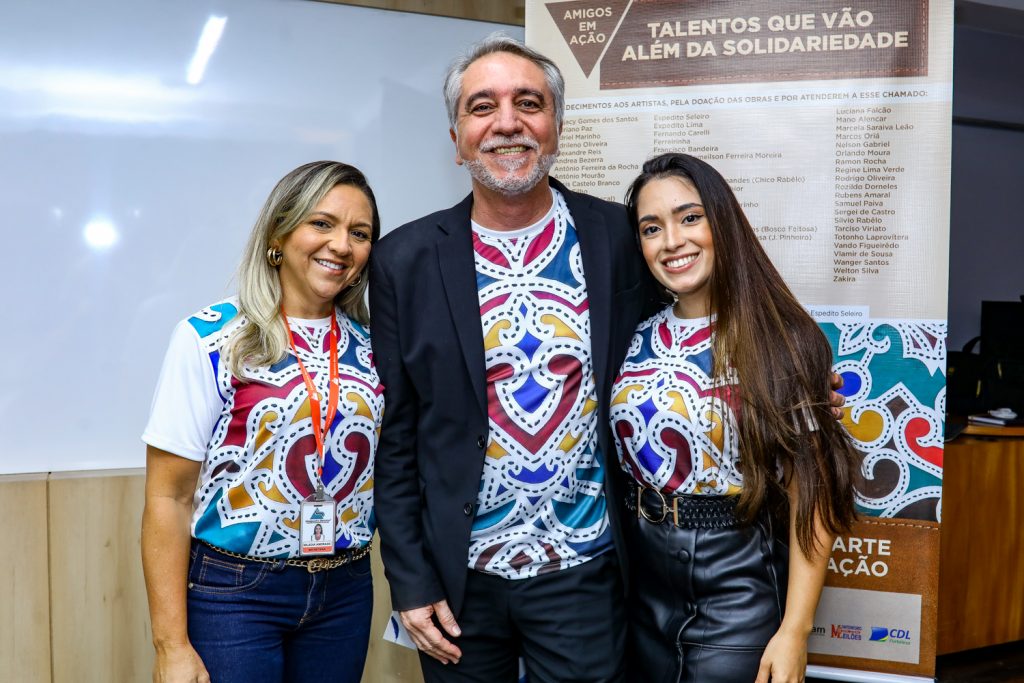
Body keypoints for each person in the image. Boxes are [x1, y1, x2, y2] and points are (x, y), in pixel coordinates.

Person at [368, 35, 649, 683]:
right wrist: (410, 581)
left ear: (555, 125)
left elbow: (696, 325)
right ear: (457, 137)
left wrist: (796, 374)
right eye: (482, 106)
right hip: (457, 585)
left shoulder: (619, 238)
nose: (507, 122)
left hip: (585, 569)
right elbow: (396, 438)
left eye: (529, 102)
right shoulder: (404, 262)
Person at [611, 152, 859, 683]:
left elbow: (811, 495)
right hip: (640, 586)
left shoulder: (785, 340)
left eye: (690, 217)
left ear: (723, 220)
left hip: (738, 588)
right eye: (652, 228)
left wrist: (795, 630)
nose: (672, 241)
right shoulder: (630, 337)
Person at [141, 161, 383, 683]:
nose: (341, 245)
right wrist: (171, 647)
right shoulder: (211, 339)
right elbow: (168, 498)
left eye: (359, 233)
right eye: (322, 223)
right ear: (279, 234)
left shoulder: (378, 346)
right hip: (235, 592)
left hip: (345, 590)